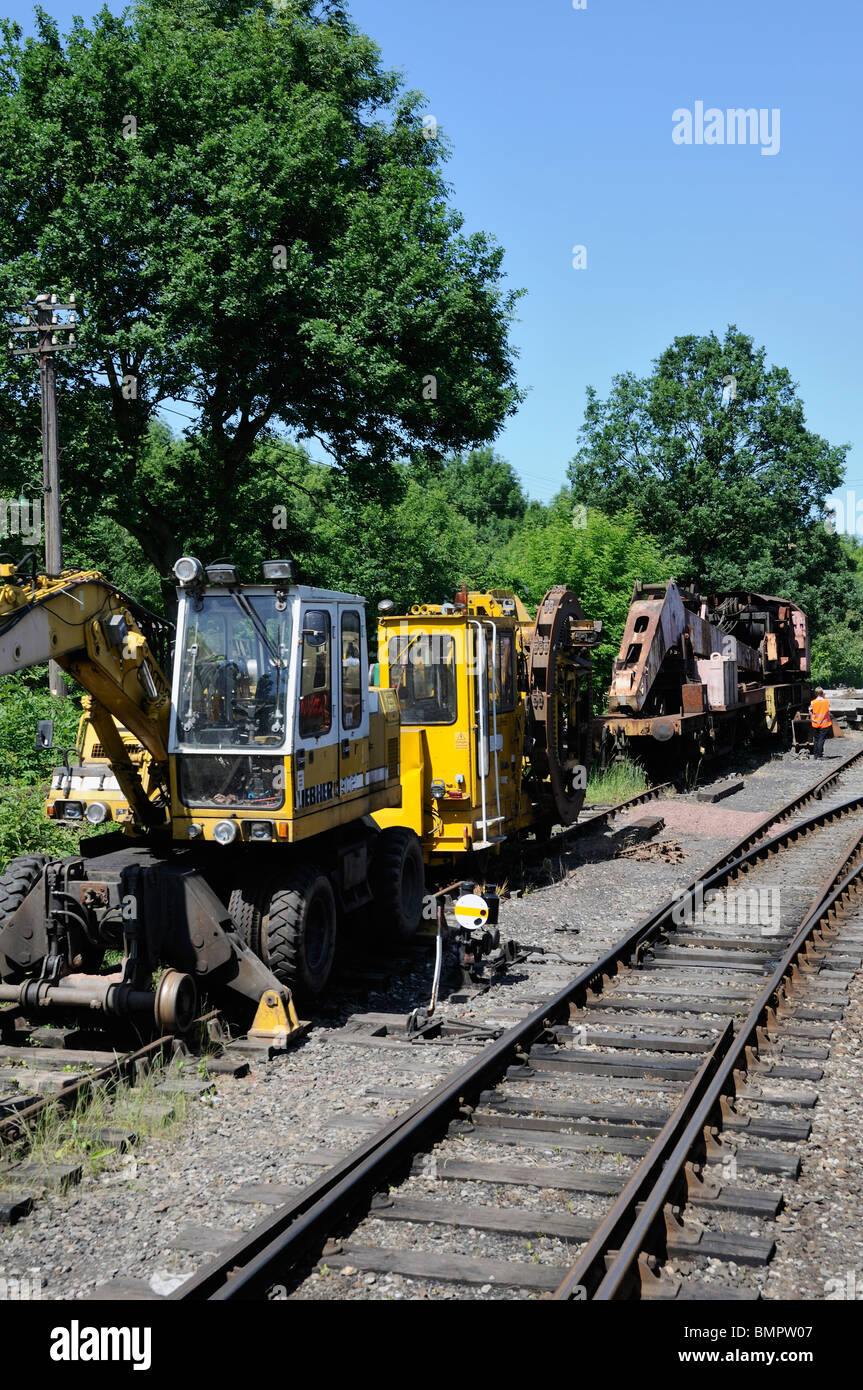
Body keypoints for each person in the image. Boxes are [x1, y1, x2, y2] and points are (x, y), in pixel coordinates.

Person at [809, 687, 832, 759]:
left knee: (816, 739)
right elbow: (828, 710)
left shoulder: (813, 702)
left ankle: (815, 755)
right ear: (822, 693)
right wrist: (824, 697)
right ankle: (819, 755)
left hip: (815, 723)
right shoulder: (826, 702)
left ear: (815, 694)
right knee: (821, 739)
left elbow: (810, 710)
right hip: (824, 724)